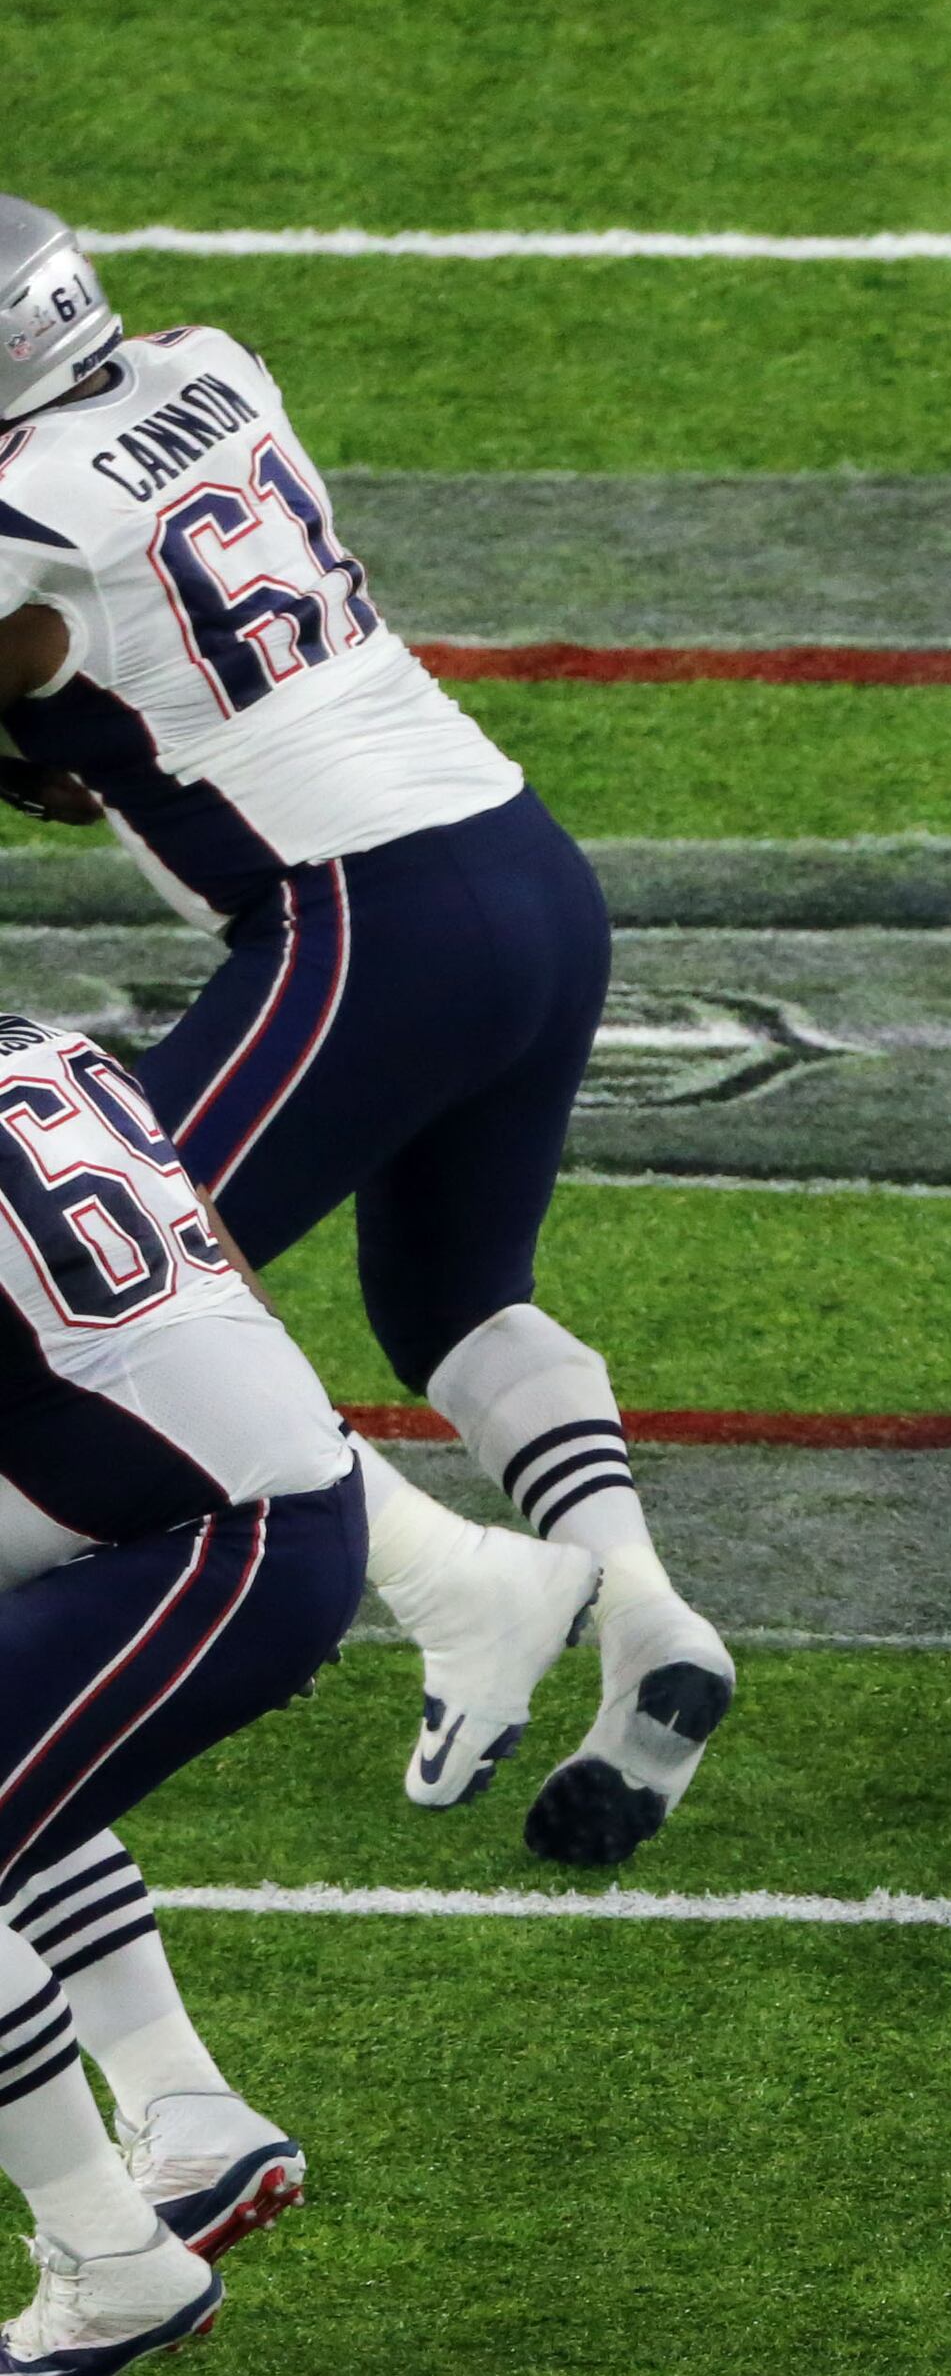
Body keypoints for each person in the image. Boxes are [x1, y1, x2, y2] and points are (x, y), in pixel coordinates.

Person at [0, 198, 719, 1865]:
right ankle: (650, 1620)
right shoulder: (209, 364)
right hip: (525, 868)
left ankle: (464, 1592)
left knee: (112, 1302)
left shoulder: (19, 512)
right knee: (451, 1299)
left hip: (365, 922)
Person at [0, 1010, 369, 2367]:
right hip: (247, 1501)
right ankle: (184, 2107)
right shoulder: (43, 1040)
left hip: (206, 1537)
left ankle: (111, 2260)